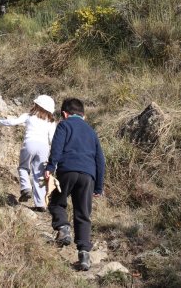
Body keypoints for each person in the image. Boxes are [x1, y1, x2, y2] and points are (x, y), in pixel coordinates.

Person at [45, 98, 105, 271]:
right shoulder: (92, 132)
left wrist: (50, 167)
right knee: (83, 213)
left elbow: (57, 147)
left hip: (68, 170)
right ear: (83, 116)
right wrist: (99, 186)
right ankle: (84, 254)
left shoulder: (64, 125)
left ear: (64, 114)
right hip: (88, 175)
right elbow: (100, 160)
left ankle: (63, 228)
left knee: (56, 201)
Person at [0, 95, 56, 212]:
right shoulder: (51, 122)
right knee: (40, 175)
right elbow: (52, 139)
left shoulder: (28, 116)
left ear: (37, 105)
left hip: (29, 144)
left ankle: (26, 188)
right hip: (44, 148)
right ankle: (41, 204)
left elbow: (13, 122)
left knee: (23, 167)